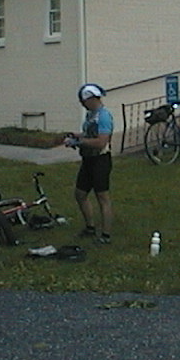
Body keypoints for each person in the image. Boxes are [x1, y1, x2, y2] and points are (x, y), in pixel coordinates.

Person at [65, 83, 114, 245]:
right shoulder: (91, 115)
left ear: (92, 99)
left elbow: (101, 142)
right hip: (88, 159)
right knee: (80, 194)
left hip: (100, 160)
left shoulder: (104, 116)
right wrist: (77, 136)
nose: (82, 105)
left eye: (83, 102)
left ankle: (106, 235)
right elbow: (89, 134)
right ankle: (90, 227)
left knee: (102, 197)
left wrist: (79, 142)